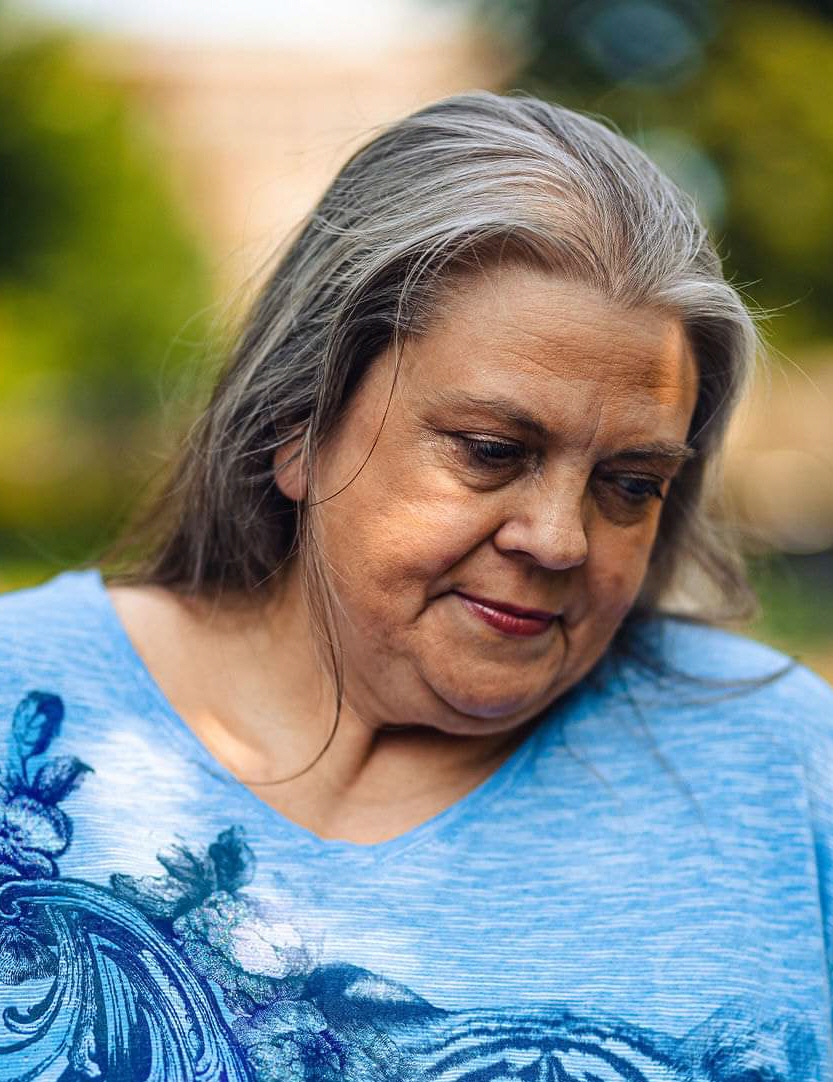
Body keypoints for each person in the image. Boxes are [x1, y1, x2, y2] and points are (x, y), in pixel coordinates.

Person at [0, 91, 831, 1082]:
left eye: (628, 484)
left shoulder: (782, 771)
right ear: (296, 425)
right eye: (490, 449)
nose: (559, 539)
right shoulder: (20, 688)